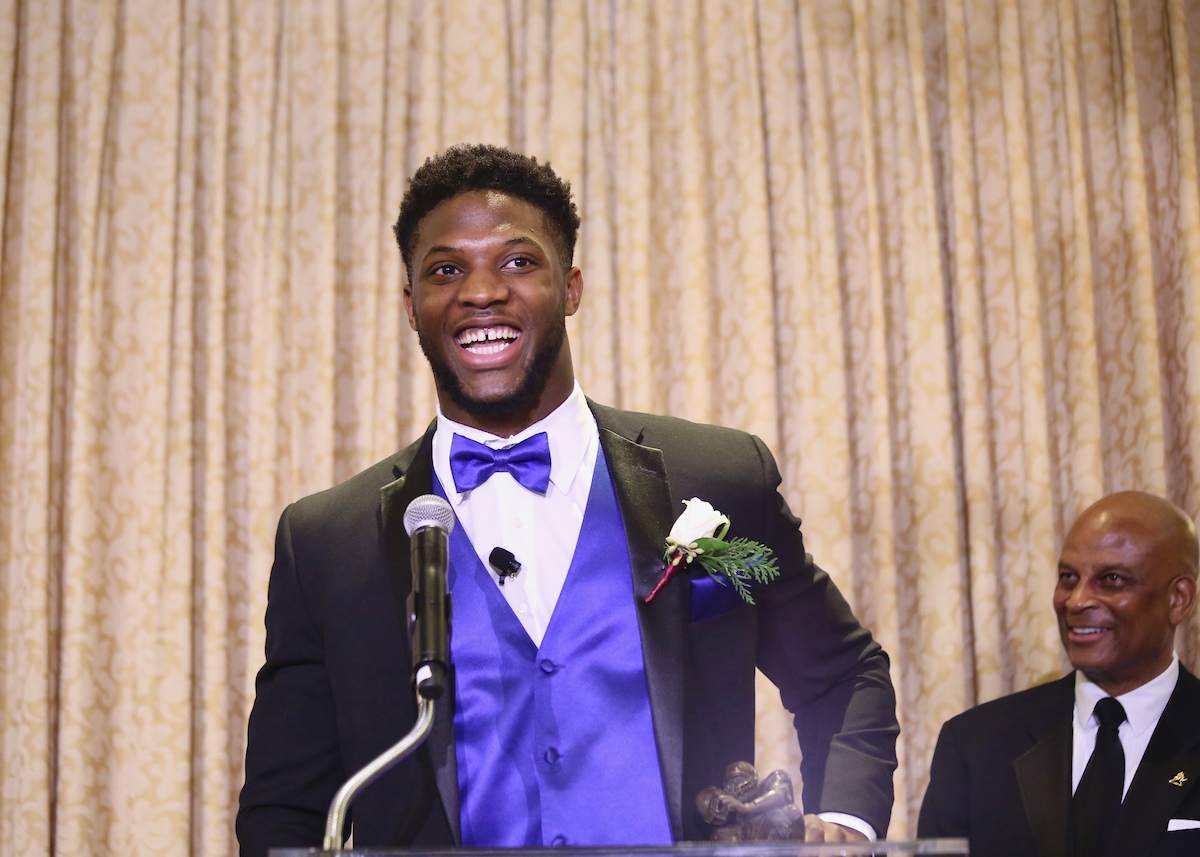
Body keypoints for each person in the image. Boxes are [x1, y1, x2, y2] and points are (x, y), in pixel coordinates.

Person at [236, 144, 899, 856]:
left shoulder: (717, 477)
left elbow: (843, 674)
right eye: (445, 269)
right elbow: (284, 811)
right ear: (410, 306)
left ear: (572, 287)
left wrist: (845, 828)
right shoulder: (327, 543)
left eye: (518, 262)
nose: (481, 292)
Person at [918, 491, 1200, 857]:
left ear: (1178, 599)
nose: (1076, 600)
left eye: (1111, 579)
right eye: (1068, 577)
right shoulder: (976, 744)